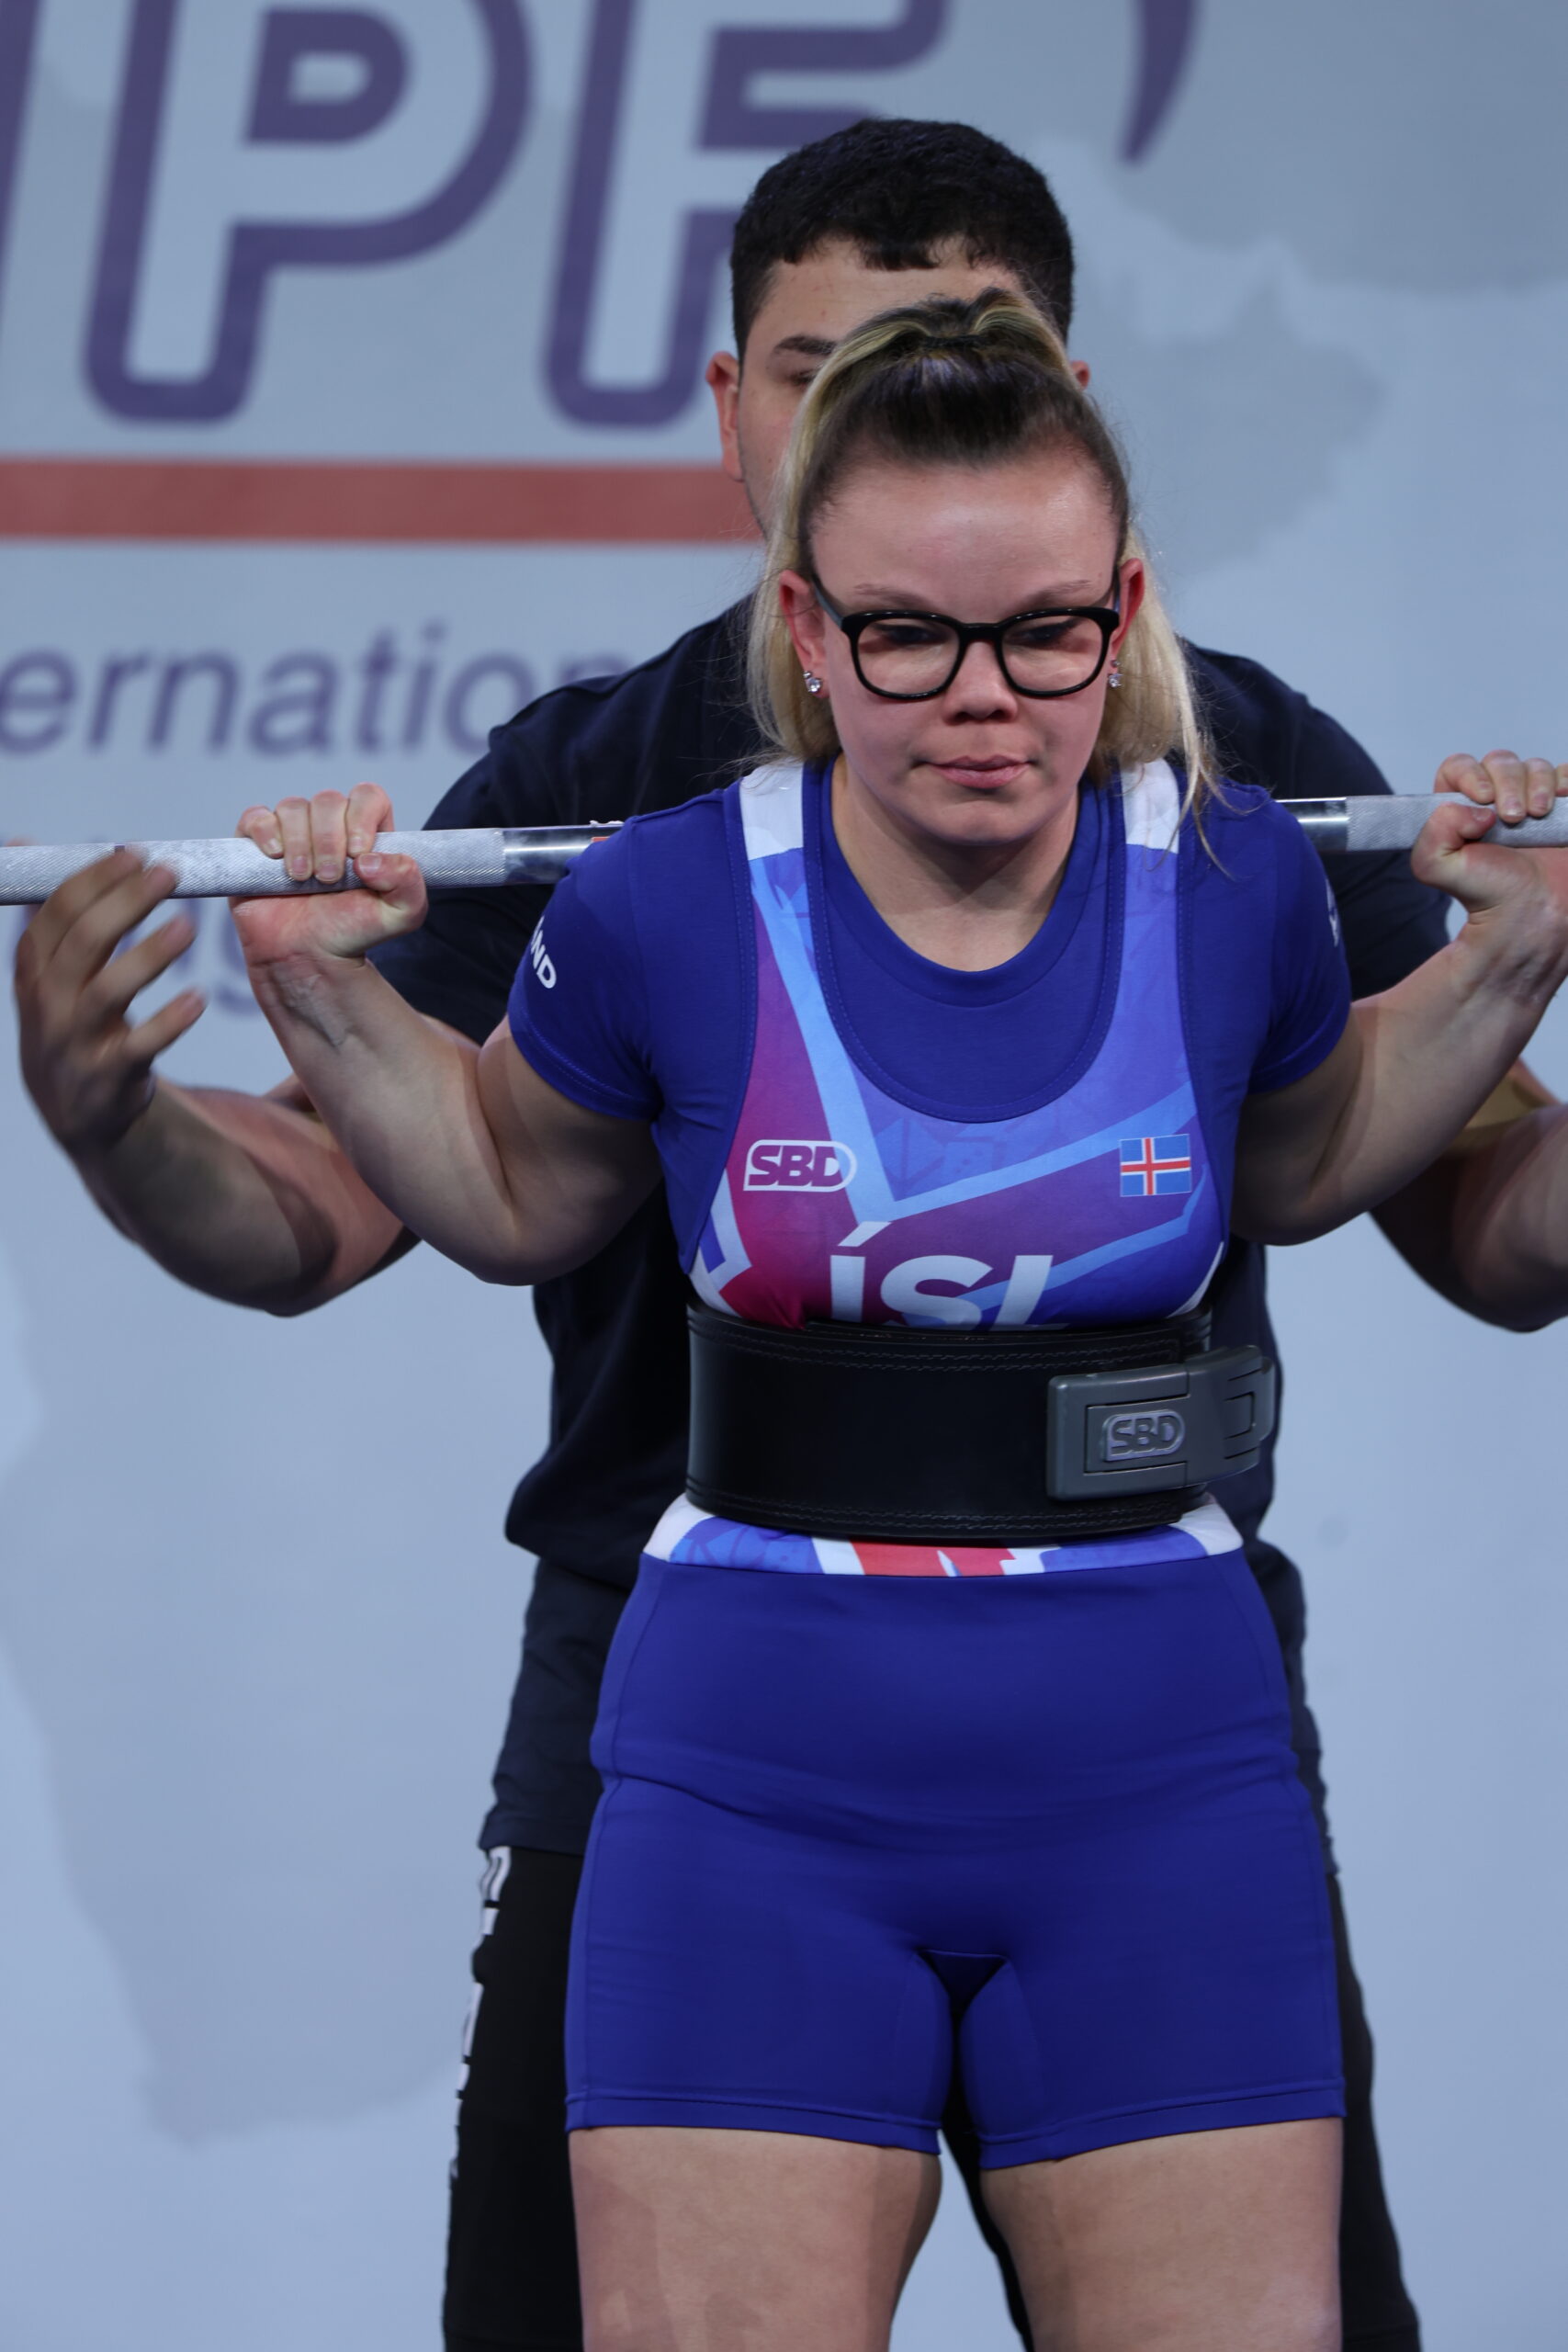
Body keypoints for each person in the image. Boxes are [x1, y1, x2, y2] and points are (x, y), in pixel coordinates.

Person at [14, 119, 1561, 2352]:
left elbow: (1396, 1180)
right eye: (905, 623)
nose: (980, 689)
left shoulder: (1242, 830)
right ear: (771, 489)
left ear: (1106, 545)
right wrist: (151, 1096)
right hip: (707, 1716)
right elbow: (384, 1198)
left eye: (1039, 625)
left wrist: (1511, 964)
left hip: (1153, 1720)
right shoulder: (621, 829)